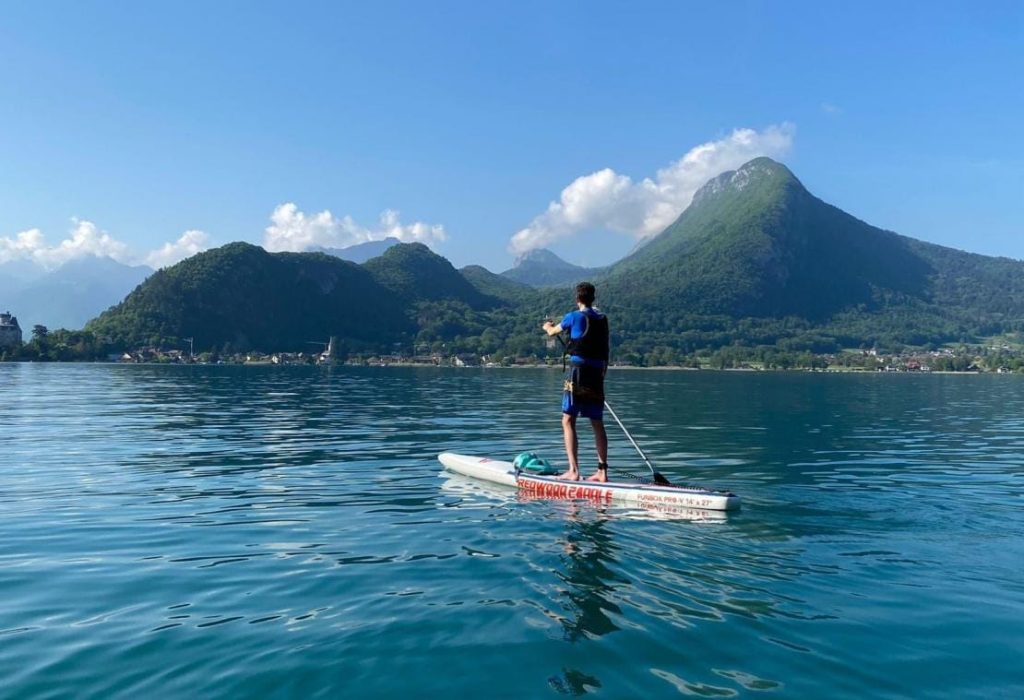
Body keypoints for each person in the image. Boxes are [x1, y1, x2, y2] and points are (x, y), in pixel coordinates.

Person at [542, 282, 610, 482]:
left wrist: (547, 326)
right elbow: (605, 349)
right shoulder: (603, 319)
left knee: (568, 419)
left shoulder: (574, 316)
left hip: (578, 372)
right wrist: (602, 374)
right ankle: (602, 472)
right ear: (593, 298)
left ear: (577, 299)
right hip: (597, 372)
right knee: (597, 422)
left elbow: (553, 332)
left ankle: (573, 470)